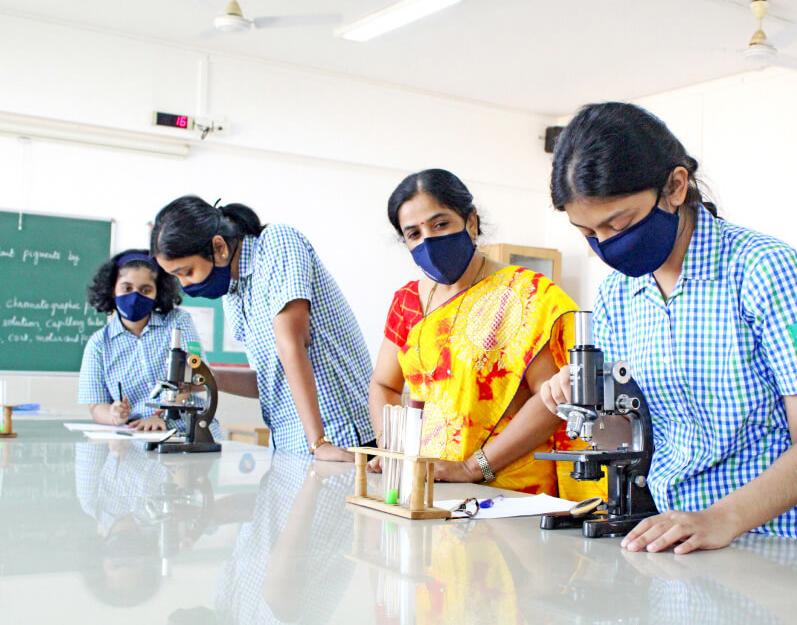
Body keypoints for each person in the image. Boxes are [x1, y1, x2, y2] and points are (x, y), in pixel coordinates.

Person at [541, 102, 797, 553]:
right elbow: (635, 429)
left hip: (782, 546)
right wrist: (579, 395)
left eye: (617, 223)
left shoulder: (767, 271)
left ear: (676, 187)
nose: (605, 246)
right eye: (588, 233)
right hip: (677, 541)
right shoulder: (617, 296)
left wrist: (720, 519)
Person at [368, 168, 605, 499]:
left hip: (512, 493)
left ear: (471, 222)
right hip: (428, 487)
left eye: (440, 224)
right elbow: (384, 384)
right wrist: (392, 449)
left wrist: (472, 468)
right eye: (414, 234)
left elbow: (555, 397)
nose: (429, 241)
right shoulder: (407, 303)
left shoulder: (526, 296)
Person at [150, 196, 374, 458]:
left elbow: (291, 344)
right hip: (290, 442)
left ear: (219, 247)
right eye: (176, 277)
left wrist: (319, 443)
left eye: (186, 271)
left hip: (338, 436)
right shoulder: (233, 294)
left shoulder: (277, 243)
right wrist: (203, 380)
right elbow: (268, 380)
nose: (185, 285)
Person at [78, 249, 214, 434]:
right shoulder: (98, 345)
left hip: (191, 430)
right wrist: (113, 414)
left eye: (145, 290)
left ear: (158, 292)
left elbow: (198, 376)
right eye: (126, 288)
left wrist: (161, 414)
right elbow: (96, 407)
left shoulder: (178, 321)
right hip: (137, 437)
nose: (135, 297)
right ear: (112, 289)